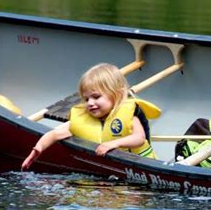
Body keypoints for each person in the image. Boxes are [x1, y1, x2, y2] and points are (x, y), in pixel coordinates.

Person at [21, 63, 160, 170]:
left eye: (96, 97)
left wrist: (113, 143)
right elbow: (54, 135)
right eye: (86, 99)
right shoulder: (84, 119)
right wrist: (37, 149)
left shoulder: (129, 115)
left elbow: (139, 139)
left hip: (140, 167)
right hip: (114, 171)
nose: (90, 103)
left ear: (116, 94)